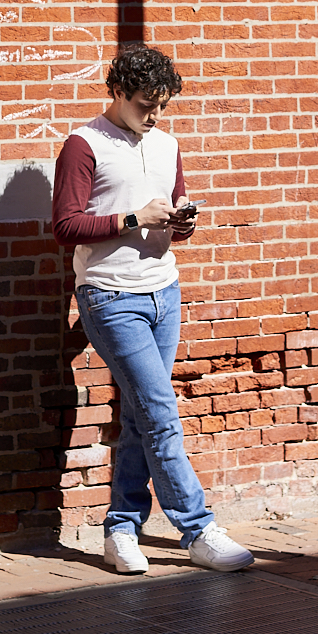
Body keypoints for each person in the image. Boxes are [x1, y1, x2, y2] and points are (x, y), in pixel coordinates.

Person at [52, 42, 255, 575]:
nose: (155, 116)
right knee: (162, 413)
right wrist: (132, 218)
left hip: (164, 292)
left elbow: (171, 210)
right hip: (110, 295)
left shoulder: (167, 144)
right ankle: (198, 529)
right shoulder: (84, 144)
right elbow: (66, 226)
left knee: (145, 415)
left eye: (163, 105)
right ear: (117, 91)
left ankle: (120, 529)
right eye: (146, 105)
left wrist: (180, 221)